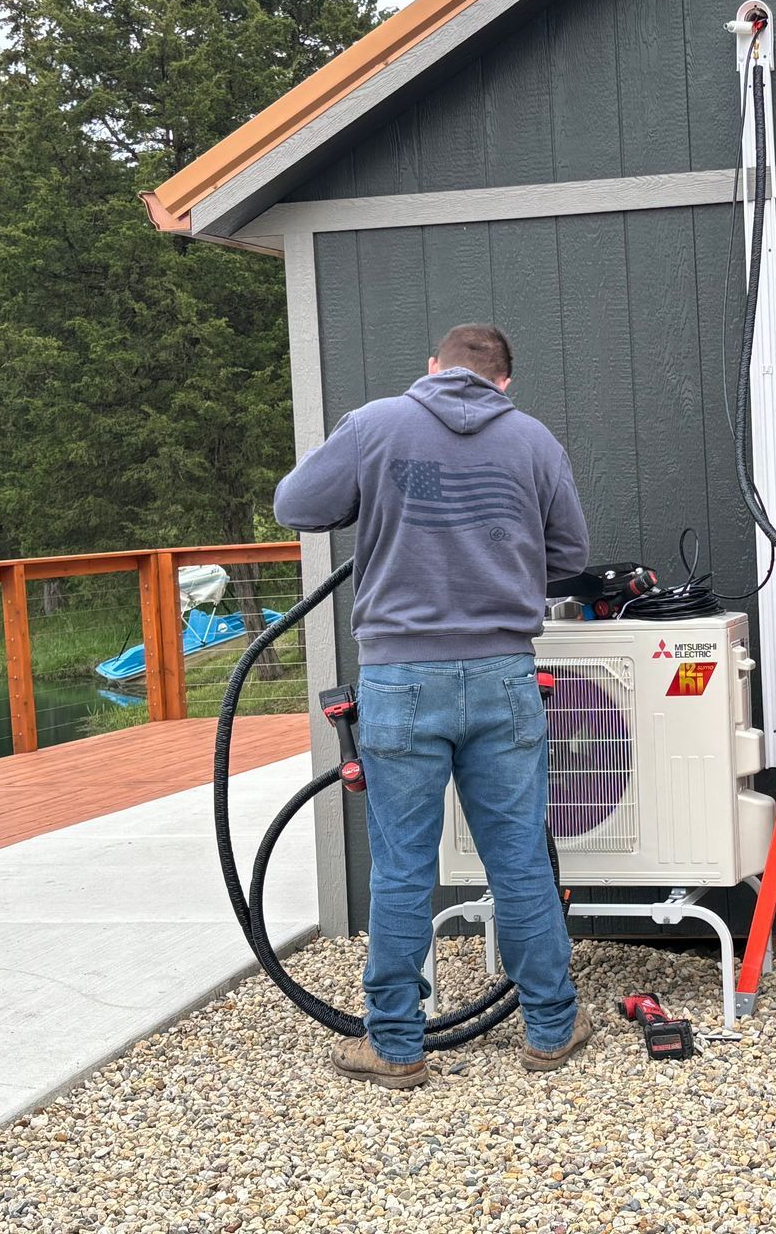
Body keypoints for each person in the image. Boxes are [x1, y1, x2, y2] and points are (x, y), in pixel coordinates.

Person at [274, 323, 592, 1086]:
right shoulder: (535, 442)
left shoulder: (376, 424)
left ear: (432, 368)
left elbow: (295, 505)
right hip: (502, 676)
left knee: (402, 867)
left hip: (400, 679)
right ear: (503, 383)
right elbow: (570, 559)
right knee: (518, 858)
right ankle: (550, 1029)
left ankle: (395, 1045)